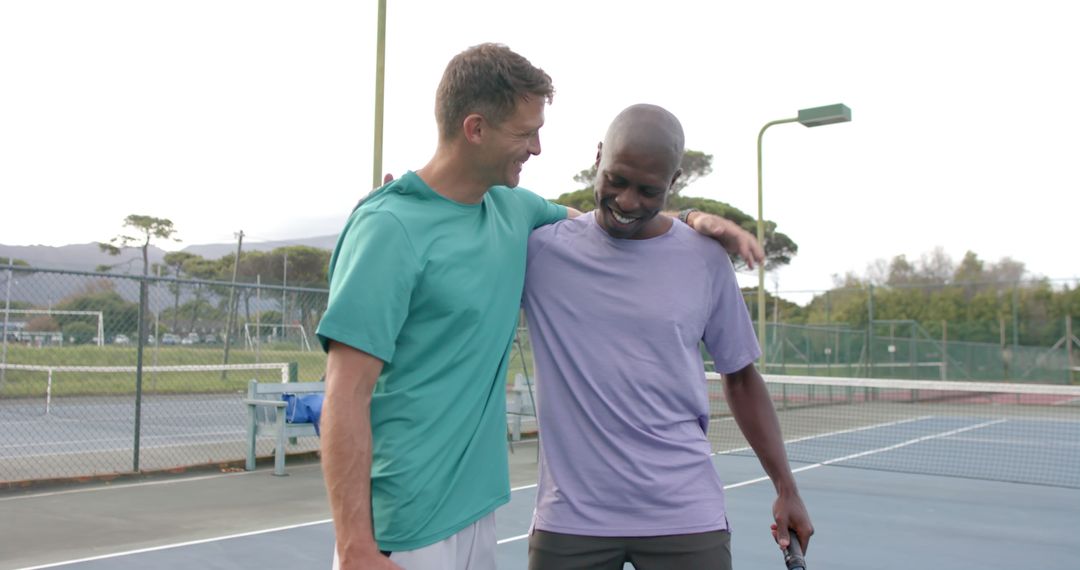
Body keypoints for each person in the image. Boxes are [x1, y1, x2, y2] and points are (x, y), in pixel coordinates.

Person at [316, 43, 761, 570]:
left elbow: (611, 223)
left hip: (475, 511)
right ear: (476, 128)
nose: (538, 147)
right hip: (405, 520)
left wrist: (692, 218)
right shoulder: (387, 228)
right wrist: (354, 545)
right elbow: (344, 396)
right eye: (526, 133)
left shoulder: (514, 210)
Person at [521, 103, 812, 570]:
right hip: (571, 521)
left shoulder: (705, 259)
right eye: (616, 180)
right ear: (598, 158)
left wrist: (786, 489)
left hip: (685, 516)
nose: (628, 201)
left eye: (649, 190)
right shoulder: (542, 252)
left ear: (673, 182)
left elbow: (740, 377)